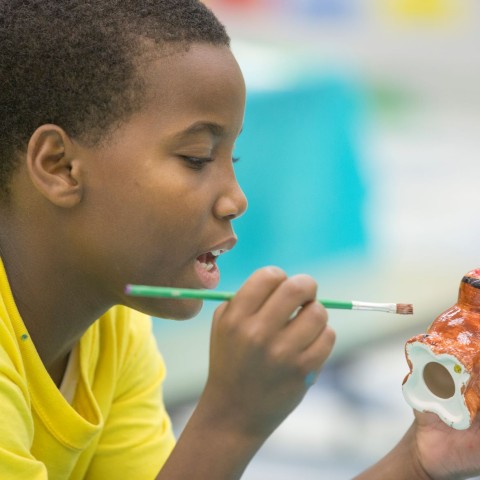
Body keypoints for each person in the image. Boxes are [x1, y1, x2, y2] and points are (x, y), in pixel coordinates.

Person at [0, 1, 478, 479]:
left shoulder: (111, 333)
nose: (236, 199)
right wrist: (230, 421)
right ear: (59, 166)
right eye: (197, 157)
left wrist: (418, 461)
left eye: (234, 160)